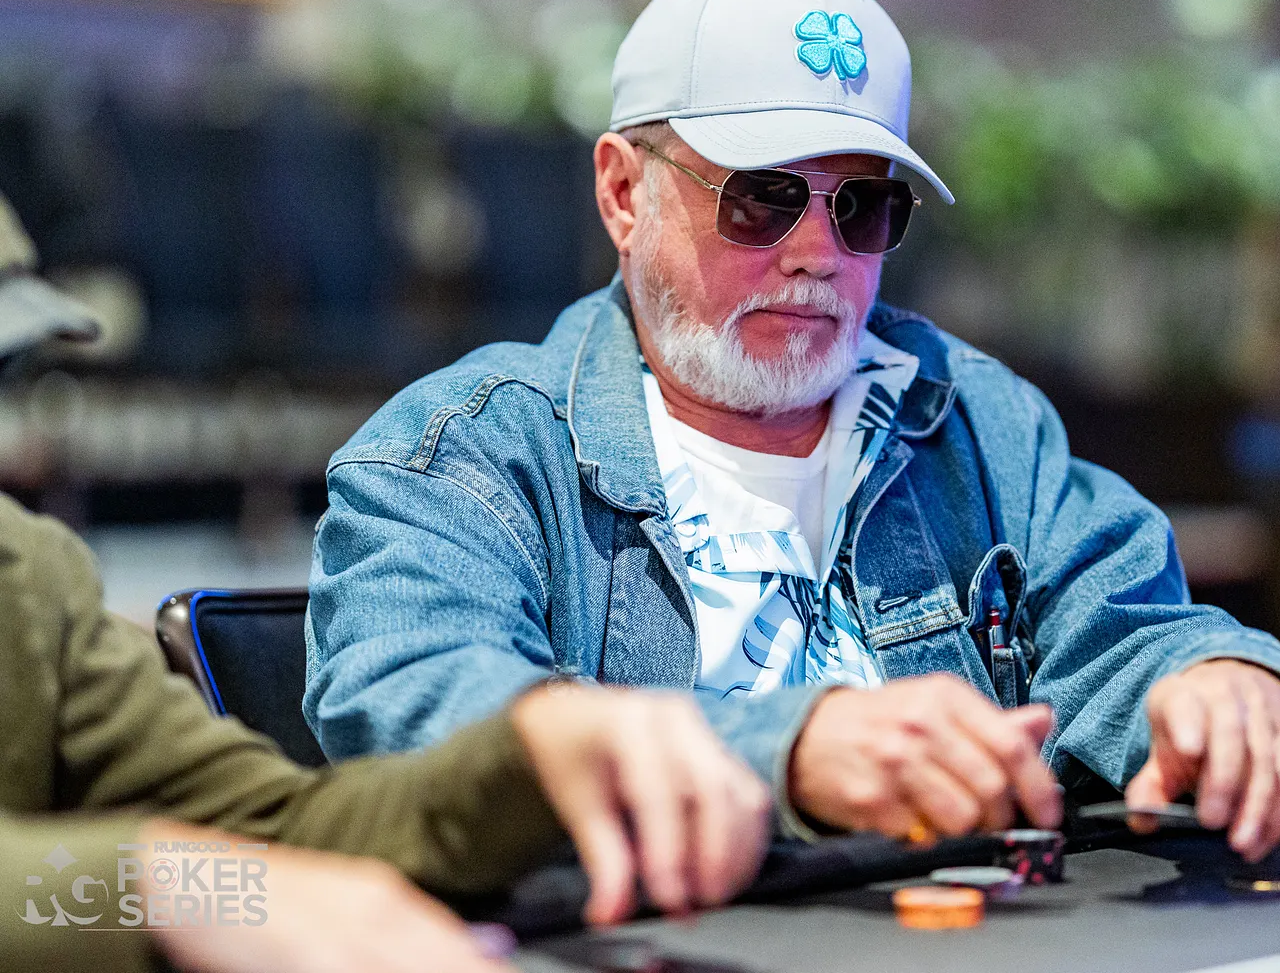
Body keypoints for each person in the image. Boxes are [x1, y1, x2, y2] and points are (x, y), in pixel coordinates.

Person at [305, 0, 1280, 864]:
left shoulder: (977, 419)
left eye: (862, 205)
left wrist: (1209, 681)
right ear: (621, 193)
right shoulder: (463, 456)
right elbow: (424, 721)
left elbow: (1125, 632)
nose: (816, 254)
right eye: (762, 197)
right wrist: (785, 750)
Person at [0, 213, 771, 972]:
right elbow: (225, 873)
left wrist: (530, 753)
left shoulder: (27, 578)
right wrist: (164, 887)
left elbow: (278, 829)